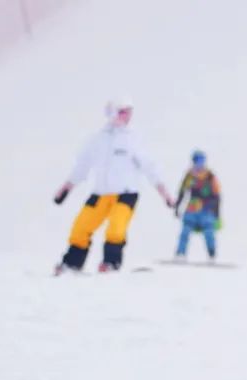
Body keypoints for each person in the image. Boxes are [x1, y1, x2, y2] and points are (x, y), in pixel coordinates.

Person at [52, 98, 174, 274]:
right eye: (122, 112)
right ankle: (72, 264)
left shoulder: (133, 139)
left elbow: (151, 168)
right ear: (112, 112)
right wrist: (65, 189)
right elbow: (82, 167)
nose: (127, 116)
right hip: (101, 193)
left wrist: (166, 195)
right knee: (81, 228)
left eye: (129, 112)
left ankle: (110, 263)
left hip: (126, 194)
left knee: (116, 229)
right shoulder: (97, 140)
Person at [173, 150, 222, 261]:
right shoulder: (189, 175)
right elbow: (182, 192)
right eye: (197, 161)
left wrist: (217, 214)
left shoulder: (210, 176)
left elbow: (217, 195)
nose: (199, 164)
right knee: (185, 231)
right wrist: (177, 207)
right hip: (192, 208)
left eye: (201, 161)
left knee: (209, 232)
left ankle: (212, 254)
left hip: (207, 209)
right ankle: (180, 253)